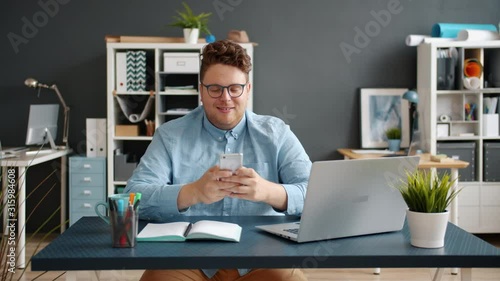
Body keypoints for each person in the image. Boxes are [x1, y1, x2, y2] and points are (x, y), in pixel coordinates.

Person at [125, 39, 312, 281]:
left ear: (248, 89)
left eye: (235, 88)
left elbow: (314, 193)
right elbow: (133, 196)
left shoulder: (277, 134)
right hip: (187, 260)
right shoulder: (170, 135)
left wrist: (269, 192)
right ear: (201, 90)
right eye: (215, 89)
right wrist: (192, 192)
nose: (225, 98)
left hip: (262, 260)